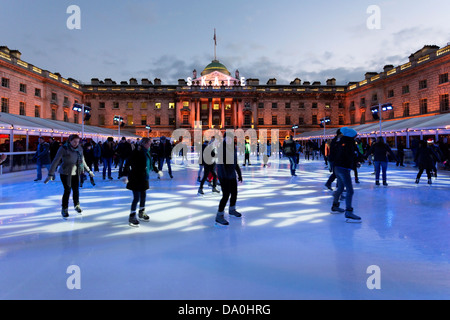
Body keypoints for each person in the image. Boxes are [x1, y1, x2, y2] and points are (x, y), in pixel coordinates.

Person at [45, 134, 94, 219]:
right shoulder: (64, 148)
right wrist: (50, 174)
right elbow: (55, 161)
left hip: (76, 172)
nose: (76, 143)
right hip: (65, 172)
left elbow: (82, 161)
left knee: (76, 189)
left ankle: (76, 205)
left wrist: (88, 170)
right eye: (74, 141)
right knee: (67, 190)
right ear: (70, 141)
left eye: (77, 142)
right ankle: (64, 208)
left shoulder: (79, 148)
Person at [123, 138, 162, 227]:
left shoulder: (148, 151)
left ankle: (141, 212)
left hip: (144, 177)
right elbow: (127, 163)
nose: (150, 145)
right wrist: (125, 175)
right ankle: (132, 216)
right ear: (143, 143)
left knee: (143, 196)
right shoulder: (136, 151)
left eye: (150, 143)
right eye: (148, 143)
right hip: (136, 177)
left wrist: (157, 170)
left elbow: (150, 163)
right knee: (136, 198)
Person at [331, 127, 361, 222]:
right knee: (350, 190)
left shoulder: (340, 142)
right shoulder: (349, 143)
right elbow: (349, 155)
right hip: (343, 168)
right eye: (355, 135)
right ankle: (348, 211)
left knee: (340, 188)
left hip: (337, 167)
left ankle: (335, 206)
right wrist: (356, 161)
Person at [215, 133, 243, 226]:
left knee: (234, 193)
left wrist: (239, 173)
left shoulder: (233, 148)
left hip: (232, 175)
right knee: (226, 195)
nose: (229, 140)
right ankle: (219, 215)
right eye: (228, 138)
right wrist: (222, 177)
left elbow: (235, 162)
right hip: (224, 176)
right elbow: (220, 164)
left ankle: (232, 209)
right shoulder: (221, 148)